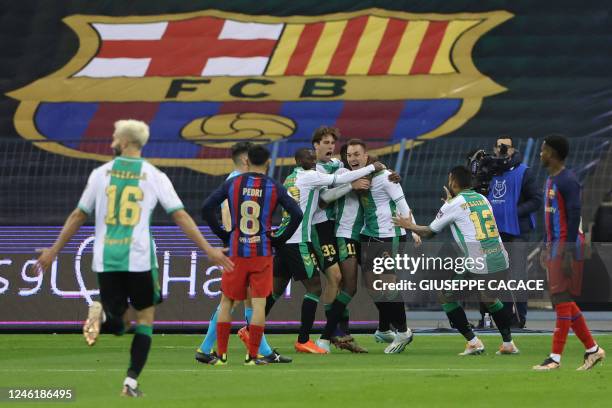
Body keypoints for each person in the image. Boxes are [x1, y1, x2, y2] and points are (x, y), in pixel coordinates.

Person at [35, 119, 233, 397]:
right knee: (145, 320)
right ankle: (130, 382)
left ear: (125, 142)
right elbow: (180, 215)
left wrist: (53, 250)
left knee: (120, 324)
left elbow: (78, 214)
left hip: (106, 258)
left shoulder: (101, 174)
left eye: (115, 137)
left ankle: (103, 312)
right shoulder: (154, 176)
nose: (112, 141)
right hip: (139, 258)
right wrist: (209, 250)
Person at [266, 148, 384, 353]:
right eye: (309, 158)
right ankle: (306, 339)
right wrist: (373, 167)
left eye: (313, 157)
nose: (313, 160)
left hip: (287, 237)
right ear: (299, 160)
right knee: (316, 288)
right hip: (300, 238)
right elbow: (334, 187)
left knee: (276, 289)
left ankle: (250, 329)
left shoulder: (290, 178)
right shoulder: (312, 175)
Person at [393, 165, 519, 356]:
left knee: (446, 295)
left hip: (479, 262)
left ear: (452, 181)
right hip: (500, 258)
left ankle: (474, 342)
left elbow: (429, 233)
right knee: (490, 299)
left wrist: (409, 225)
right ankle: (508, 343)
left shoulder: (452, 204)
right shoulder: (482, 198)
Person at [201, 145, 303, 366]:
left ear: (247, 162)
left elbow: (207, 208)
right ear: (268, 162)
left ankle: (221, 355)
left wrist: (224, 234)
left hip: (237, 251)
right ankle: (254, 355)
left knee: (228, 301)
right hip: (262, 252)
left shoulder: (233, 183)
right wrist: (279, 239)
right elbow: (296, 213)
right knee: (257, 304)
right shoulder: (273, 186)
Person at [532, 134, 605, 370]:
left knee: (561, 299)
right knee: (561, 299)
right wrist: (545, 244)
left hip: (566, 244)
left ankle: (555, 357)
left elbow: (574, 217)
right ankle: (593, 349)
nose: (540, 153)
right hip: (554, 244)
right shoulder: (551, 179)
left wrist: (568, 251)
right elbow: (550, 216)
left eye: (543, 150)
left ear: (552, 153)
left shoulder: (568, 181)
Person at [344, 140, 419, 354]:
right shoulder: (358, 177)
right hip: (368, 236)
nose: (353, 159)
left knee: (388, 284)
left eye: (357, 154)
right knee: (371, 286)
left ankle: (403, 332)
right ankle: (385, 328)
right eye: (350, 155)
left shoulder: (386, 177)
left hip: (389, 236)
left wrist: (412, 229)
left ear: (366, 155)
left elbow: (403, 205)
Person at [487, 137, 542, 328]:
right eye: (499, 146)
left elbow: (536, 200)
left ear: (513, 150)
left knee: (517, 274)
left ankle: (519, 318)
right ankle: (503, 318)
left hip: (518, 230)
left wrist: (512, 212)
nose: (502, 150)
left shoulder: (524, 172)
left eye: (506, 147)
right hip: (495, 231)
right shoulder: (489, 172)